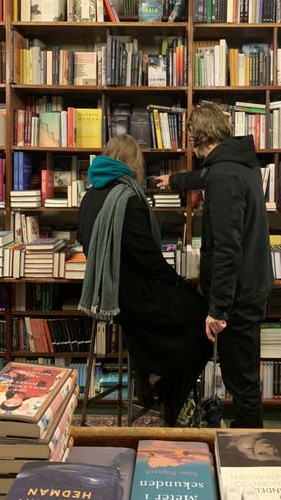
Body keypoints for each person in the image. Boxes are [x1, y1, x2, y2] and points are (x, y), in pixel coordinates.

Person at [77, 134, 212, 426]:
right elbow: (149, 261)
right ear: (133, 165)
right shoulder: (128, 199)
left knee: (180, 310)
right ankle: (167, 393)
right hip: (132, 298)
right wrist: (180, 282)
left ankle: (147, 374)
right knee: (201, 316)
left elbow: (84, 243)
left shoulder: (89, 196)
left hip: (108, 294)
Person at [155, 103, 273, 428]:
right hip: (251, 286)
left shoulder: (222, 176)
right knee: (242, 373)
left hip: (237, 296)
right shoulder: (239, 164)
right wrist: (176, 180)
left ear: (195, 136)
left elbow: (226, 250)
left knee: (242, 380)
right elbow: (205, 177)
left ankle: (250, 450)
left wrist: (219, 311)